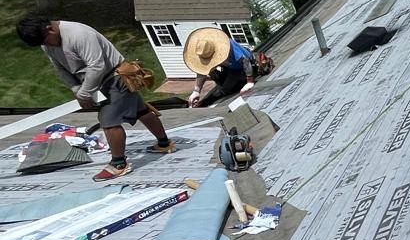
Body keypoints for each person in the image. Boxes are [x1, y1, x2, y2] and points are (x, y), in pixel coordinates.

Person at [14, 14, 174, 180]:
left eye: (46, 40)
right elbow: (60, 68)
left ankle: (119, 164)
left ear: (50, 29)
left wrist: (84, 92)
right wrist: (76, 88)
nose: (46, 45)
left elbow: (97, 66)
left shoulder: (79, 34)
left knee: (109, 121)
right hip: (94, 82)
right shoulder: (46, 41)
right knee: (140, 110)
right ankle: (164, 143)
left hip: (115, 77)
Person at [183, 26, 257, 106]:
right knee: (210, 71)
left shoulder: (228, 47)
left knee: (225, 90)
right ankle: (223, 84)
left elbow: (245, 61)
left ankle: (225, 88)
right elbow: (202, 72)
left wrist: (250, 81)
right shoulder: (205, 50)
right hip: (229, 69)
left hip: (243, 68)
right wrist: (196, 91)